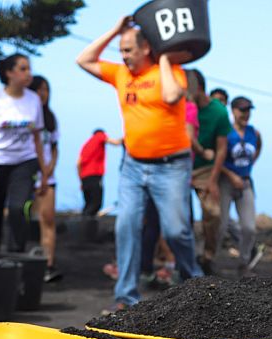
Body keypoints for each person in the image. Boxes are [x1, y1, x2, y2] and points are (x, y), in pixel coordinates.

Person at [77, 16, 202, 312]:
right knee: (127, 225)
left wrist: (167, 58)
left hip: (171, 166)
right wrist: (115, 30)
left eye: (128, 49)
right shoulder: (120, 75)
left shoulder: (170, 71)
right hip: (133, 165)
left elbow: (173, 96)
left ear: (146, 48)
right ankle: (126, 296)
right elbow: (83, 59)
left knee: (175, 231)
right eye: (121, 50)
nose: (123, 56)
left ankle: (195, 281)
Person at [0, 53, 48, 253]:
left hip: (24, 162)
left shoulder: (33, 100)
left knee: (19, 209)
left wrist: (44, 173)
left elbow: (37, 139)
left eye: (29, 68)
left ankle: (16, 257)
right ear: (9, 73)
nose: (28, 73)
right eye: (23, 68)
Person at [189, 69, 233, 275]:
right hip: (180, 166)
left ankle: (208, 256)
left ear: (198, 88)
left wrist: (214, 180)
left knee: (213, 214)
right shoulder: (181, 107)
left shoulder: (218, 112)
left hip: (206, 168)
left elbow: (222, 148)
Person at [217, 96, 263, 276]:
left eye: (248, 110)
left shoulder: (254, 133)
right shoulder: (226, 132)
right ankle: (211, 260)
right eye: (242, 110)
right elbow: (217, 158)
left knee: (249, 227)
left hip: (245, 182)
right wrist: (230, 175)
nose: (246, 114)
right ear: (233, 111)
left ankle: (244, 262)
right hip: (226, 183)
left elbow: (258, 148)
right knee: (220, 226)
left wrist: (248, 167)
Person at [28, 75, 62, 282]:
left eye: (46, 90)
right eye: (39, 89)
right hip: (26, 175)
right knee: (24, 220)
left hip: (47, 177)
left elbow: (55, 149)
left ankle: (48, 264)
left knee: (48, 220)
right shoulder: (25, 117)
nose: (43, 94)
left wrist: (47, 172)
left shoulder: (51, 118)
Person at [77, 129, 122, 217]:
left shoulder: (86, 145)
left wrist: (81, 181)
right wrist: (128, 138)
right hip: (94, 176)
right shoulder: (99, 136)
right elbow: (116, 143)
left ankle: (84, 224)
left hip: (84, 178)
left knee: (88, 205)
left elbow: (78, 163)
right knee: (96, 204)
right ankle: (85, 226)